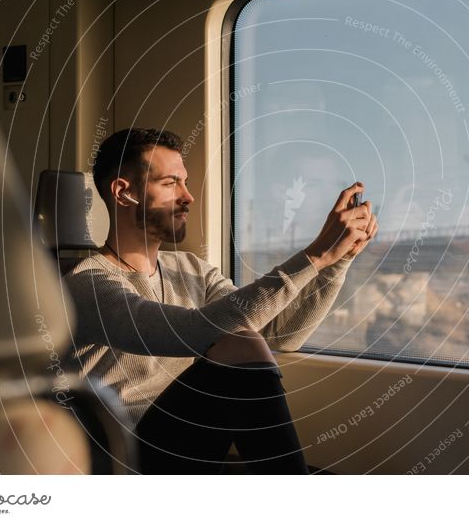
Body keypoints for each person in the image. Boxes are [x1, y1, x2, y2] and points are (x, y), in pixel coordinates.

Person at [63, 127, 378, 474]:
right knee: (239, 344)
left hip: (195, 450)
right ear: (124, 193)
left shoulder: (191, 270)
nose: (188, 196)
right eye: (170, 183)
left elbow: (277, 339)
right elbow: (198, 331)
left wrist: (337, 262)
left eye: (185, 182)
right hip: (127, 463)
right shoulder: (86, 284)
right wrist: (315, 256)